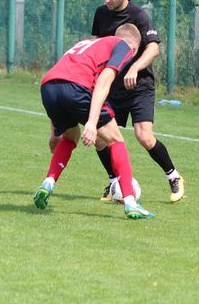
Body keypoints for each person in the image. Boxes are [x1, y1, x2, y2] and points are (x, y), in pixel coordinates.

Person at [34, 24, 155, 219]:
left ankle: (48, 183)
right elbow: (104, 80)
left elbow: (60, 75)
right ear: (134, 48)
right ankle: (131, 203)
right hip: (76, 87)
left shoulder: (88, 43)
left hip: (48, 87)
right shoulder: (124, 46)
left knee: (70, 137)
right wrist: (92, 122)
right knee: (116, 140)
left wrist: (54, 129)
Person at [91, 0, 185, 203]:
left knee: (144, 136)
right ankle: (114, 182)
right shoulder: (101, 14)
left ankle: (173, 176)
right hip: (113, 88)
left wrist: (134, 68)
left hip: (139, 87)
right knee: (101, 137)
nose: (107, 0)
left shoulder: (139, 16)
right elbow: (97, 45)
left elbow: (153, 48)